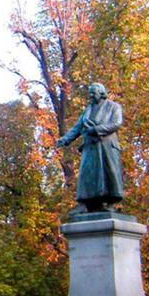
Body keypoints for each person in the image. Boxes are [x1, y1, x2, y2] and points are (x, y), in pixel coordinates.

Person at [56, 83, 124, 212]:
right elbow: (77, 127)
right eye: (90, 93)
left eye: (93, 93)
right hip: (90, 147)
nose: (91, 95)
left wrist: (96, 129)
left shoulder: (113, 107)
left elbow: (116, 123)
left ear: (101, 93)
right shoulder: (88, 109)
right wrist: (65, 139)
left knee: (108, 174)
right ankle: (86, 204)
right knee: (86, 174)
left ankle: (108, 204)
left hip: (106, 146)